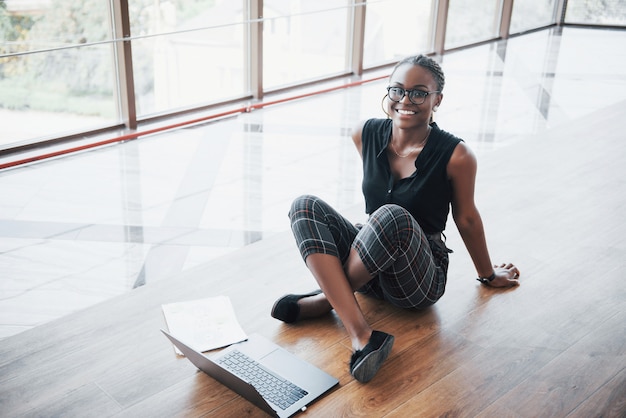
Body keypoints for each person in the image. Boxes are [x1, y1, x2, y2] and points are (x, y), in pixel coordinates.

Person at [270, 54, 521, 383]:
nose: (406, 100)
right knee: (304, 205)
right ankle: (360, 330)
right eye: (397, 90)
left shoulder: (457, 155)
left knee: (391, 216)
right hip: (370, 262)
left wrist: (488, 275)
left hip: (417, 277)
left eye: (419, 92)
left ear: (437, 100)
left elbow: (467, 218)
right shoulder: (365, 133)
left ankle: (326, 303)